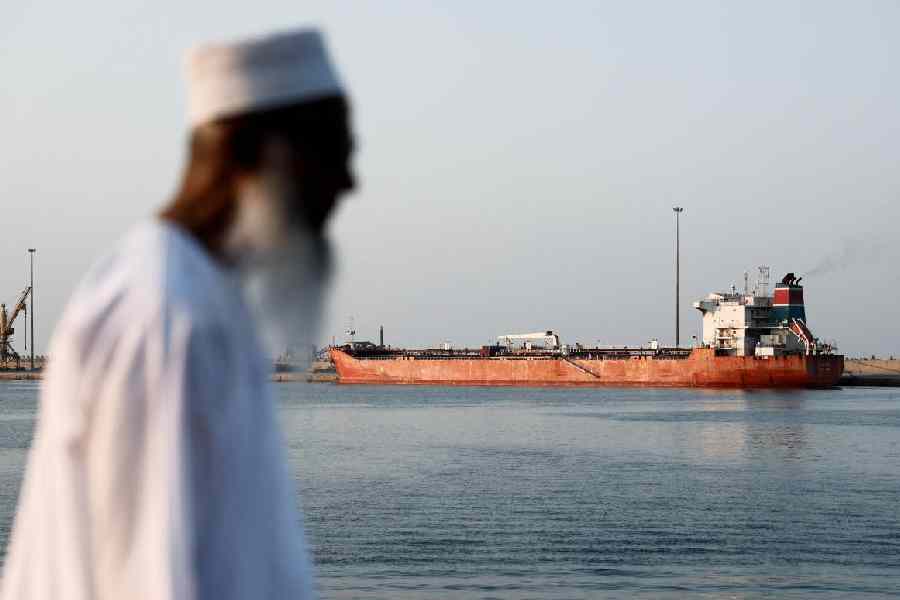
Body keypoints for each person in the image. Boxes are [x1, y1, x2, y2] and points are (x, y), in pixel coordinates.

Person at [1, 28, 354, 600]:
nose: (346, 183)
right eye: (332, 154)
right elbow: (151, 579)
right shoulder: (165, 315)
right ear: (251, 151)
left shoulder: (197, 300)